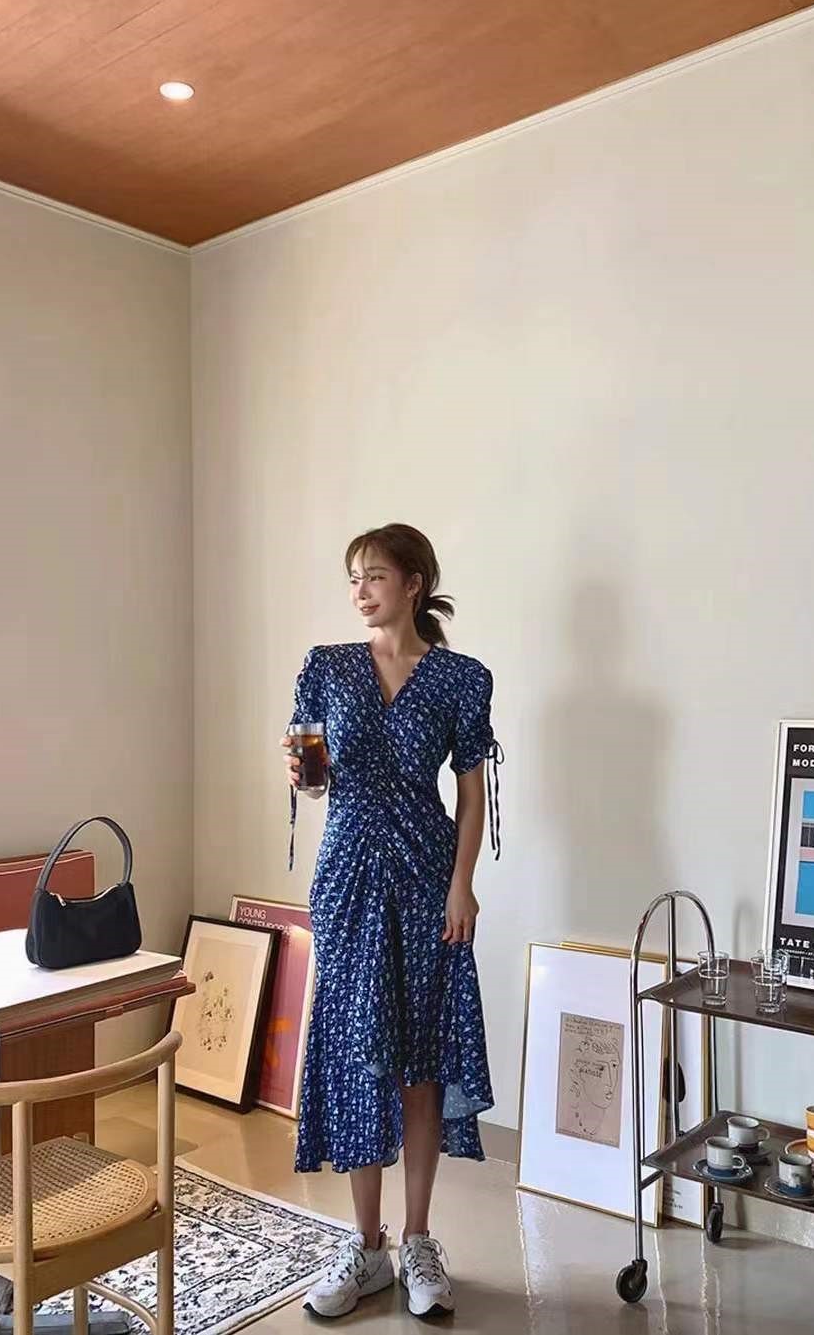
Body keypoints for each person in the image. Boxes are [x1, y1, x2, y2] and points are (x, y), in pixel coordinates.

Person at [280, 522, 503, 1321]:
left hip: (425, 877)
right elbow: (316, 779)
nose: (360, 590)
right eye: (353, 578)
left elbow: (472, 795)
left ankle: (417, 1241)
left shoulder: (460, 679)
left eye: (374, 575)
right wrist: (302, 773)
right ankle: (365, 1245)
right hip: (346, 879)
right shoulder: (327, 666)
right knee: (356, 1055)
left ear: (413, 583)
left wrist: (461, 886)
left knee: (420, 1058)